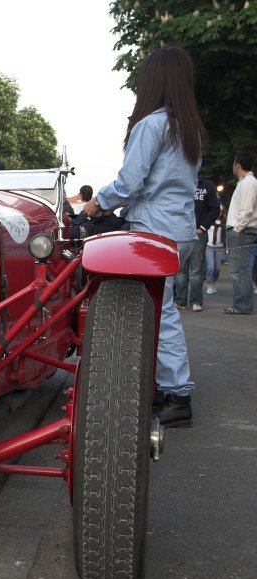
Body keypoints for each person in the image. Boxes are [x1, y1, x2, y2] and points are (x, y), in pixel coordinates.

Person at [82, 45, 206, 428]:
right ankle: (160, 387)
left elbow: (129, 182)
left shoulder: (150, 125)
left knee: (160, 310)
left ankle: (177, 393)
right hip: (181, 229)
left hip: (154, 230)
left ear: (151, 82)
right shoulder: (189, 128)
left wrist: (98, 204)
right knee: (158, 307)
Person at [174, 177, 220, 311]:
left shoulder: (207, 186)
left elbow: (215, 209)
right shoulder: (179, 183)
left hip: (198, 233)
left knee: (196, 269)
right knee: (180, 269)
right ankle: (180, 301)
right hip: (180, 232)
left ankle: (195, 301)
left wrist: (203, 228)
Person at [223, 151, 257, 314]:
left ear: (238, 165)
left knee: (239, 269)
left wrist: (237, 229)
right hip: (242, 230)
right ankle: (241, 304)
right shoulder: (246, 182)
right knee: (239, 269)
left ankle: (242, 305)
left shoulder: (248, 183)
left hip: (242, 230)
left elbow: (247, 209)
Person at [204, 208, 227, 294]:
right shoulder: (209, 221)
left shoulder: (224, 224)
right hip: (209, 246)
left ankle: (214, 282)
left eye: (220, 211)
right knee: (211, 267)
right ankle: (209, 284)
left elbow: (225, 238)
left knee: (217, 268)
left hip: (220, 247)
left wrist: (226, 249)